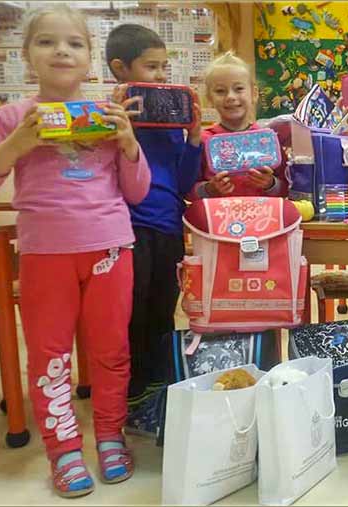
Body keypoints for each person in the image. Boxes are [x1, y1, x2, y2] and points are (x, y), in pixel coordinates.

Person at [0, 5, 150, 496]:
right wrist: (16, 144)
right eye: (47, 42)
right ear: (26, 56)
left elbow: (137, 191)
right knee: (49, 355)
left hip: (110, 247)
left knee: (111, 351)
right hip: (45, 253)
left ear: (89, 60)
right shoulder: (11, 117)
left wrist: (128, 142)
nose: (61, 51)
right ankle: (62, 449)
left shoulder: (108, 114)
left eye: (74, 43)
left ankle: (110, 436)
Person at [104, 23, 202, 431]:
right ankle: (130, 393)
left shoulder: (172, 121)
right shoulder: (109, 118)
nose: (161, 75)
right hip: (127, 231)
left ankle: (159, 389)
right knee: (131, 313)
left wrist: (193, 137)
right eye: (151, 66)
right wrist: (115, 123)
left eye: (164, 66)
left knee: (163, 308)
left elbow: (184, 183)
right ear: (120, 69)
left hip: (167, 229)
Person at [189, 51, 288, 200]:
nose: (230, 97)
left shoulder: (268, 139)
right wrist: (210, 189)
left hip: (263, 214)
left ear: (254, 93)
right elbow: (188, 189)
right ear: (209, 98)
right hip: (219, 214)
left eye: (239, 89)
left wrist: (270, 184)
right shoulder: (203, 140)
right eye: (220, 91)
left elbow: (287, 186)